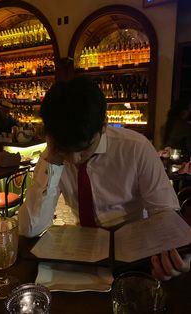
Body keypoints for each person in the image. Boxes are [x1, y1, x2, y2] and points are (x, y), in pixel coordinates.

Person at [18, 77, 190, 281]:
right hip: (84, 251)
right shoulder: (55, 153)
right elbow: (30, 229)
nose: (74, 159)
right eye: (67, 149)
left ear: (104, 125)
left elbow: (164, 212)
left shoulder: (136, 148)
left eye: (84, 148)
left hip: (135, 253)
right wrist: (53, 164)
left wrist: (175, 257)